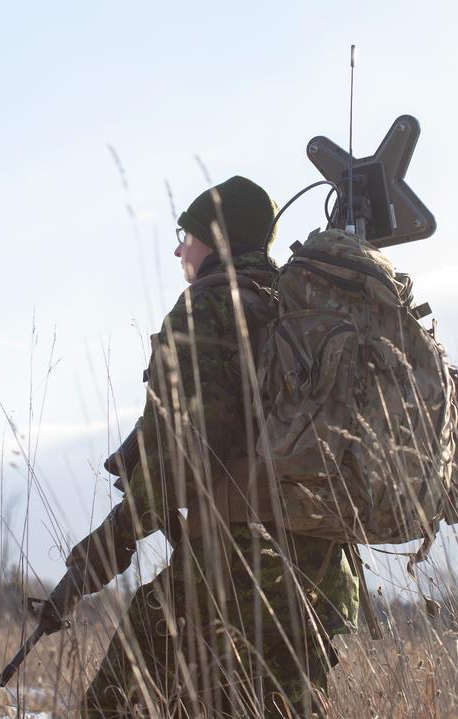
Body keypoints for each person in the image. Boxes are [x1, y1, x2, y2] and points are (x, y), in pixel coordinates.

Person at [67, 176, 360, 718]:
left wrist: (103, 549)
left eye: (189, 234)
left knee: (111, 703)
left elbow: (191, 452)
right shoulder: (292, 305)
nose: (180, 247)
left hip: (238, 571)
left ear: (217, 240)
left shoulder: (207, 308)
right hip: (324, 571)